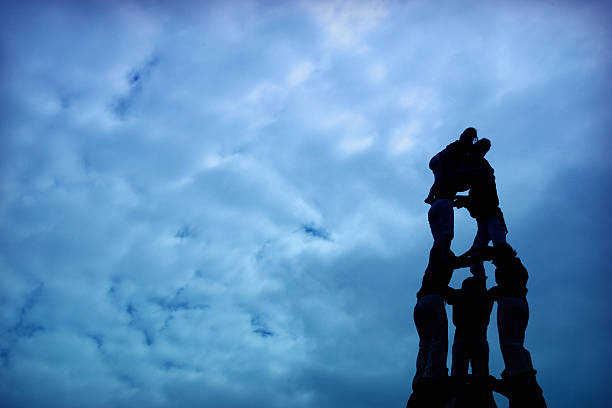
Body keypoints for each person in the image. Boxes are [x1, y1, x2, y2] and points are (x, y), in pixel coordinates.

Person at [488, 244, 547, 407]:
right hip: (521, 303)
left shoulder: (504, 269)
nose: (493, 262)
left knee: (509, 343)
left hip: (509, 302)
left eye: (494, 258)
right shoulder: (519, 267)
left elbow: (506, 286)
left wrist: (495, 292)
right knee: (517, 342)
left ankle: (519, 374)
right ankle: (521, 372)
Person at [407, 245, 457, 407]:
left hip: (420, 303)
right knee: (438, 341)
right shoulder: (442, 266)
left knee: (425, 343)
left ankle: (422, 374)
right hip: (434, 300)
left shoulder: (431, 270)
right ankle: (431, 374)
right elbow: (460, 261)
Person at [454, 138, 507, 278]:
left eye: (482, 150)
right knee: (477, 259)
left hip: (492, 218)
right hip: (484, 221)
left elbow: (482, 198)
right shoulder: (479, 170)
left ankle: (507, 277)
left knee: (501, 250)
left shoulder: (484, 170)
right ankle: (479, 285)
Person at [445, 277, 497, 407]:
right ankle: (484, 402)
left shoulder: (459, 295)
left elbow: (446, 292)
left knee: (457, 375)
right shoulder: (485, 297)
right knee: (481, 375)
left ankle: (455, 402)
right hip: (479, 340)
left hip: (461, 339)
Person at [425, 127, 477, 205]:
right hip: (439, 161)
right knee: (443, 178)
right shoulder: (460, 145)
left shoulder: (462, 144)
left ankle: (431, 197)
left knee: (441, 179)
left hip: (437, 160)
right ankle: (433, 196)